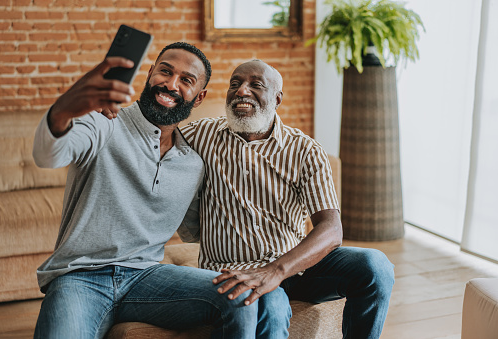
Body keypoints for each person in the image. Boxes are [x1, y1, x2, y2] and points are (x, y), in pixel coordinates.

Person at [32, 42, 277, 339]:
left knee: (239, 297)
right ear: (149, 75)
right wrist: (64, 110)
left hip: (146, 278)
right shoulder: (105, 121)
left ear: (198, 98)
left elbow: (199, 227)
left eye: (186, 80)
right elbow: (49, 155)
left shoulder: (192, 163)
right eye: (165, 71)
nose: (171, 84)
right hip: (80, 277)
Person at [179, 59, 396, 338]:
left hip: (294, 266)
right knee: (271, 309)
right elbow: (152, 138)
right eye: (235, 84)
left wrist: (276, 270)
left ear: (277, 98)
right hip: (231, 270)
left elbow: (331, 230)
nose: (242, 91)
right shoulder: (201, 135)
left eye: (255, 85)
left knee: (375, 266)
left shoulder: (305, 150)